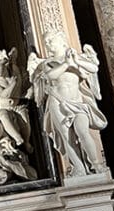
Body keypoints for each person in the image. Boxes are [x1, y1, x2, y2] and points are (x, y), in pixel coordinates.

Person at [27, 33, 106, 176]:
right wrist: (66, 64)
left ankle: (96, 164)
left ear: (62, 41)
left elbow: (93, 68)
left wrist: (76, 61)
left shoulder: (77, 58)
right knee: (66, 136)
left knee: (83, 131)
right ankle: (79, 167)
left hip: (77, 101)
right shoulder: (47, 63)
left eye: (51, 40)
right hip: (57, 101)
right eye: (46, 42)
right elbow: (50, 76)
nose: (48, 43)